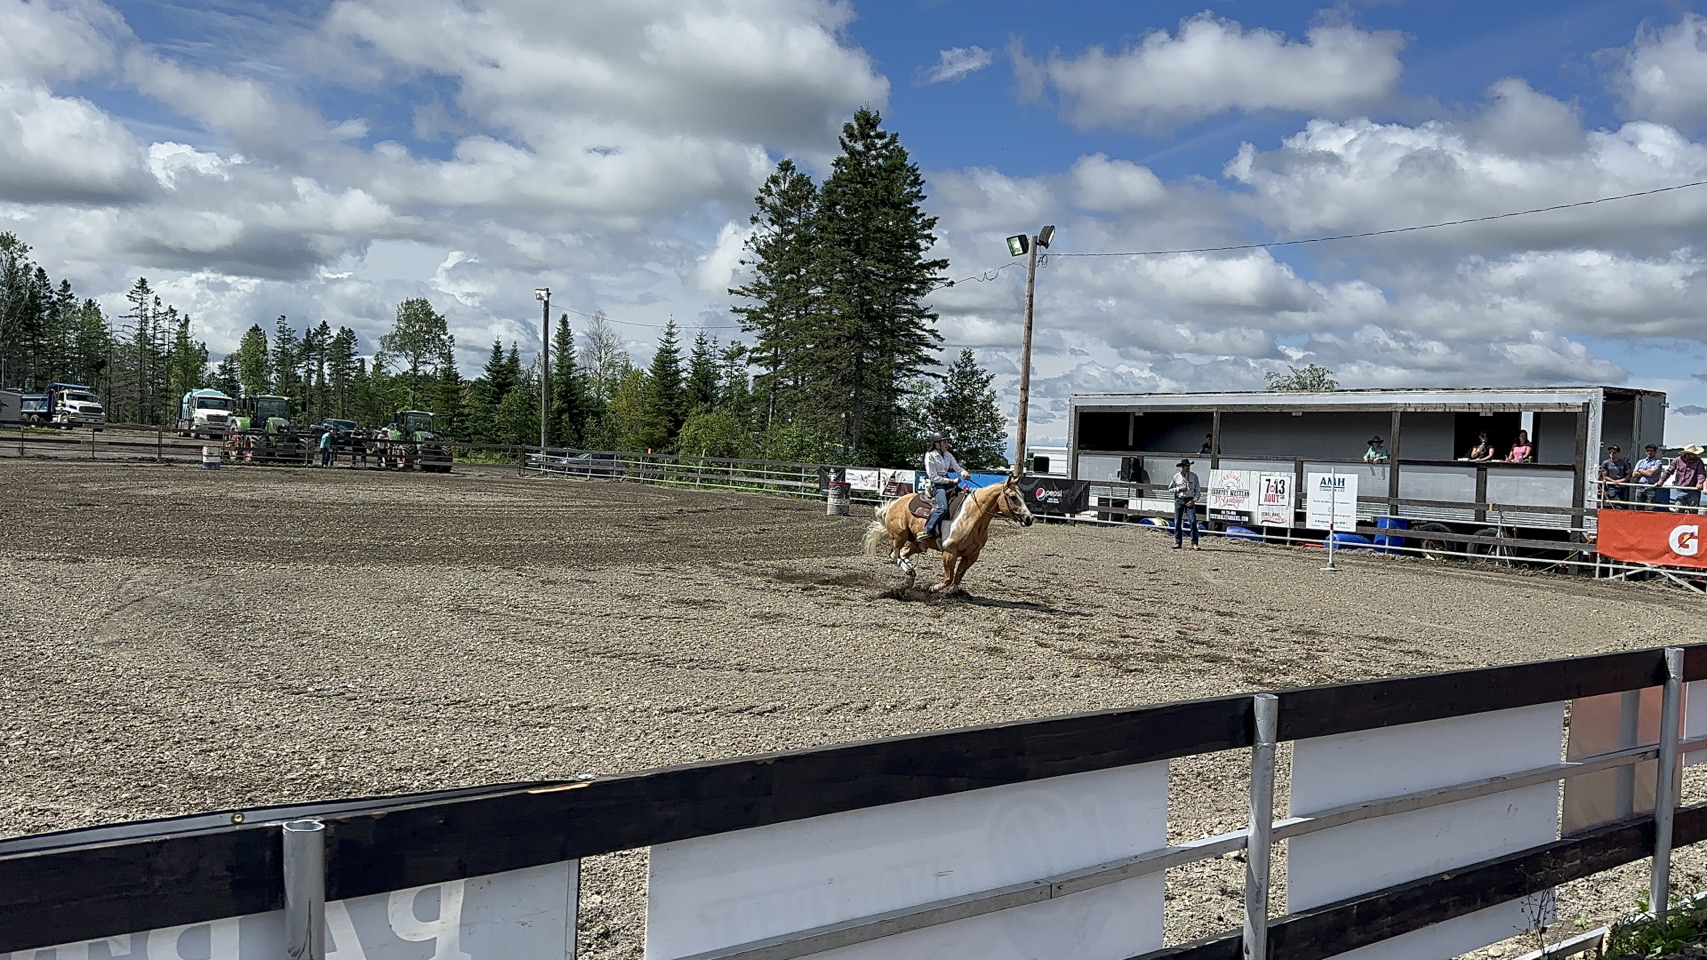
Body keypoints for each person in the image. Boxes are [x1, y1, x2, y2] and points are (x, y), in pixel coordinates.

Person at [922, 431, 967, 541]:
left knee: (966, 498)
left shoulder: (948, 455)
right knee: (942, 508)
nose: (947, 444)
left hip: (948, 481)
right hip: (938, 484)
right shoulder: (930, 456)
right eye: (944, 442)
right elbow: (933, 477)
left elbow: (957, 468)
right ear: (937, 444)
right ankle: (927, 530)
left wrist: (964, 473)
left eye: (947, 442)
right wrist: (950, 481)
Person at [1660, 444, 1707, 513]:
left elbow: (1701, 474)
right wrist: (1661, 481)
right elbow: (1669, 471)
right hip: (1680, 489)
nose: (1694, 456)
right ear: (1687, 454)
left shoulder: (1698, 461)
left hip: (1694, 490)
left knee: (1693, 511)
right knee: (1678, 509)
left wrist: (1699, 483)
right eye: (1692, 454)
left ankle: (1691, 523)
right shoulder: (1677, 460)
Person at [1169, 458, 1201, 550]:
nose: (1188, 468)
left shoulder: (1194, 477)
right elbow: (1170, 488)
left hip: (1189, 499)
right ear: (1182, 467)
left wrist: (1194, 500)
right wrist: (1179, 489)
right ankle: (1178, 542)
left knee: (1193, 521)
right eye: (1186, 466)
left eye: (1188, 466)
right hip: (1179, 499)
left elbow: (1198, 491)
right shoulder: (1176, 477)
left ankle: (1194, 543)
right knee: (1177, 521)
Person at [1633, 444, 1667, 509]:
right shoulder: (1640, 461)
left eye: (1651, 451)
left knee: (1650, 508)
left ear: (1655, 452)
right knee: (1638, 507)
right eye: (1648, 451)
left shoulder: (1658, 462)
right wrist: (1646, 471)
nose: (1649, 452)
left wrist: (1640, 470)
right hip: (1640, 486)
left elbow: (1650, 473)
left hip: (1651, 487)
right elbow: (1634, 474)